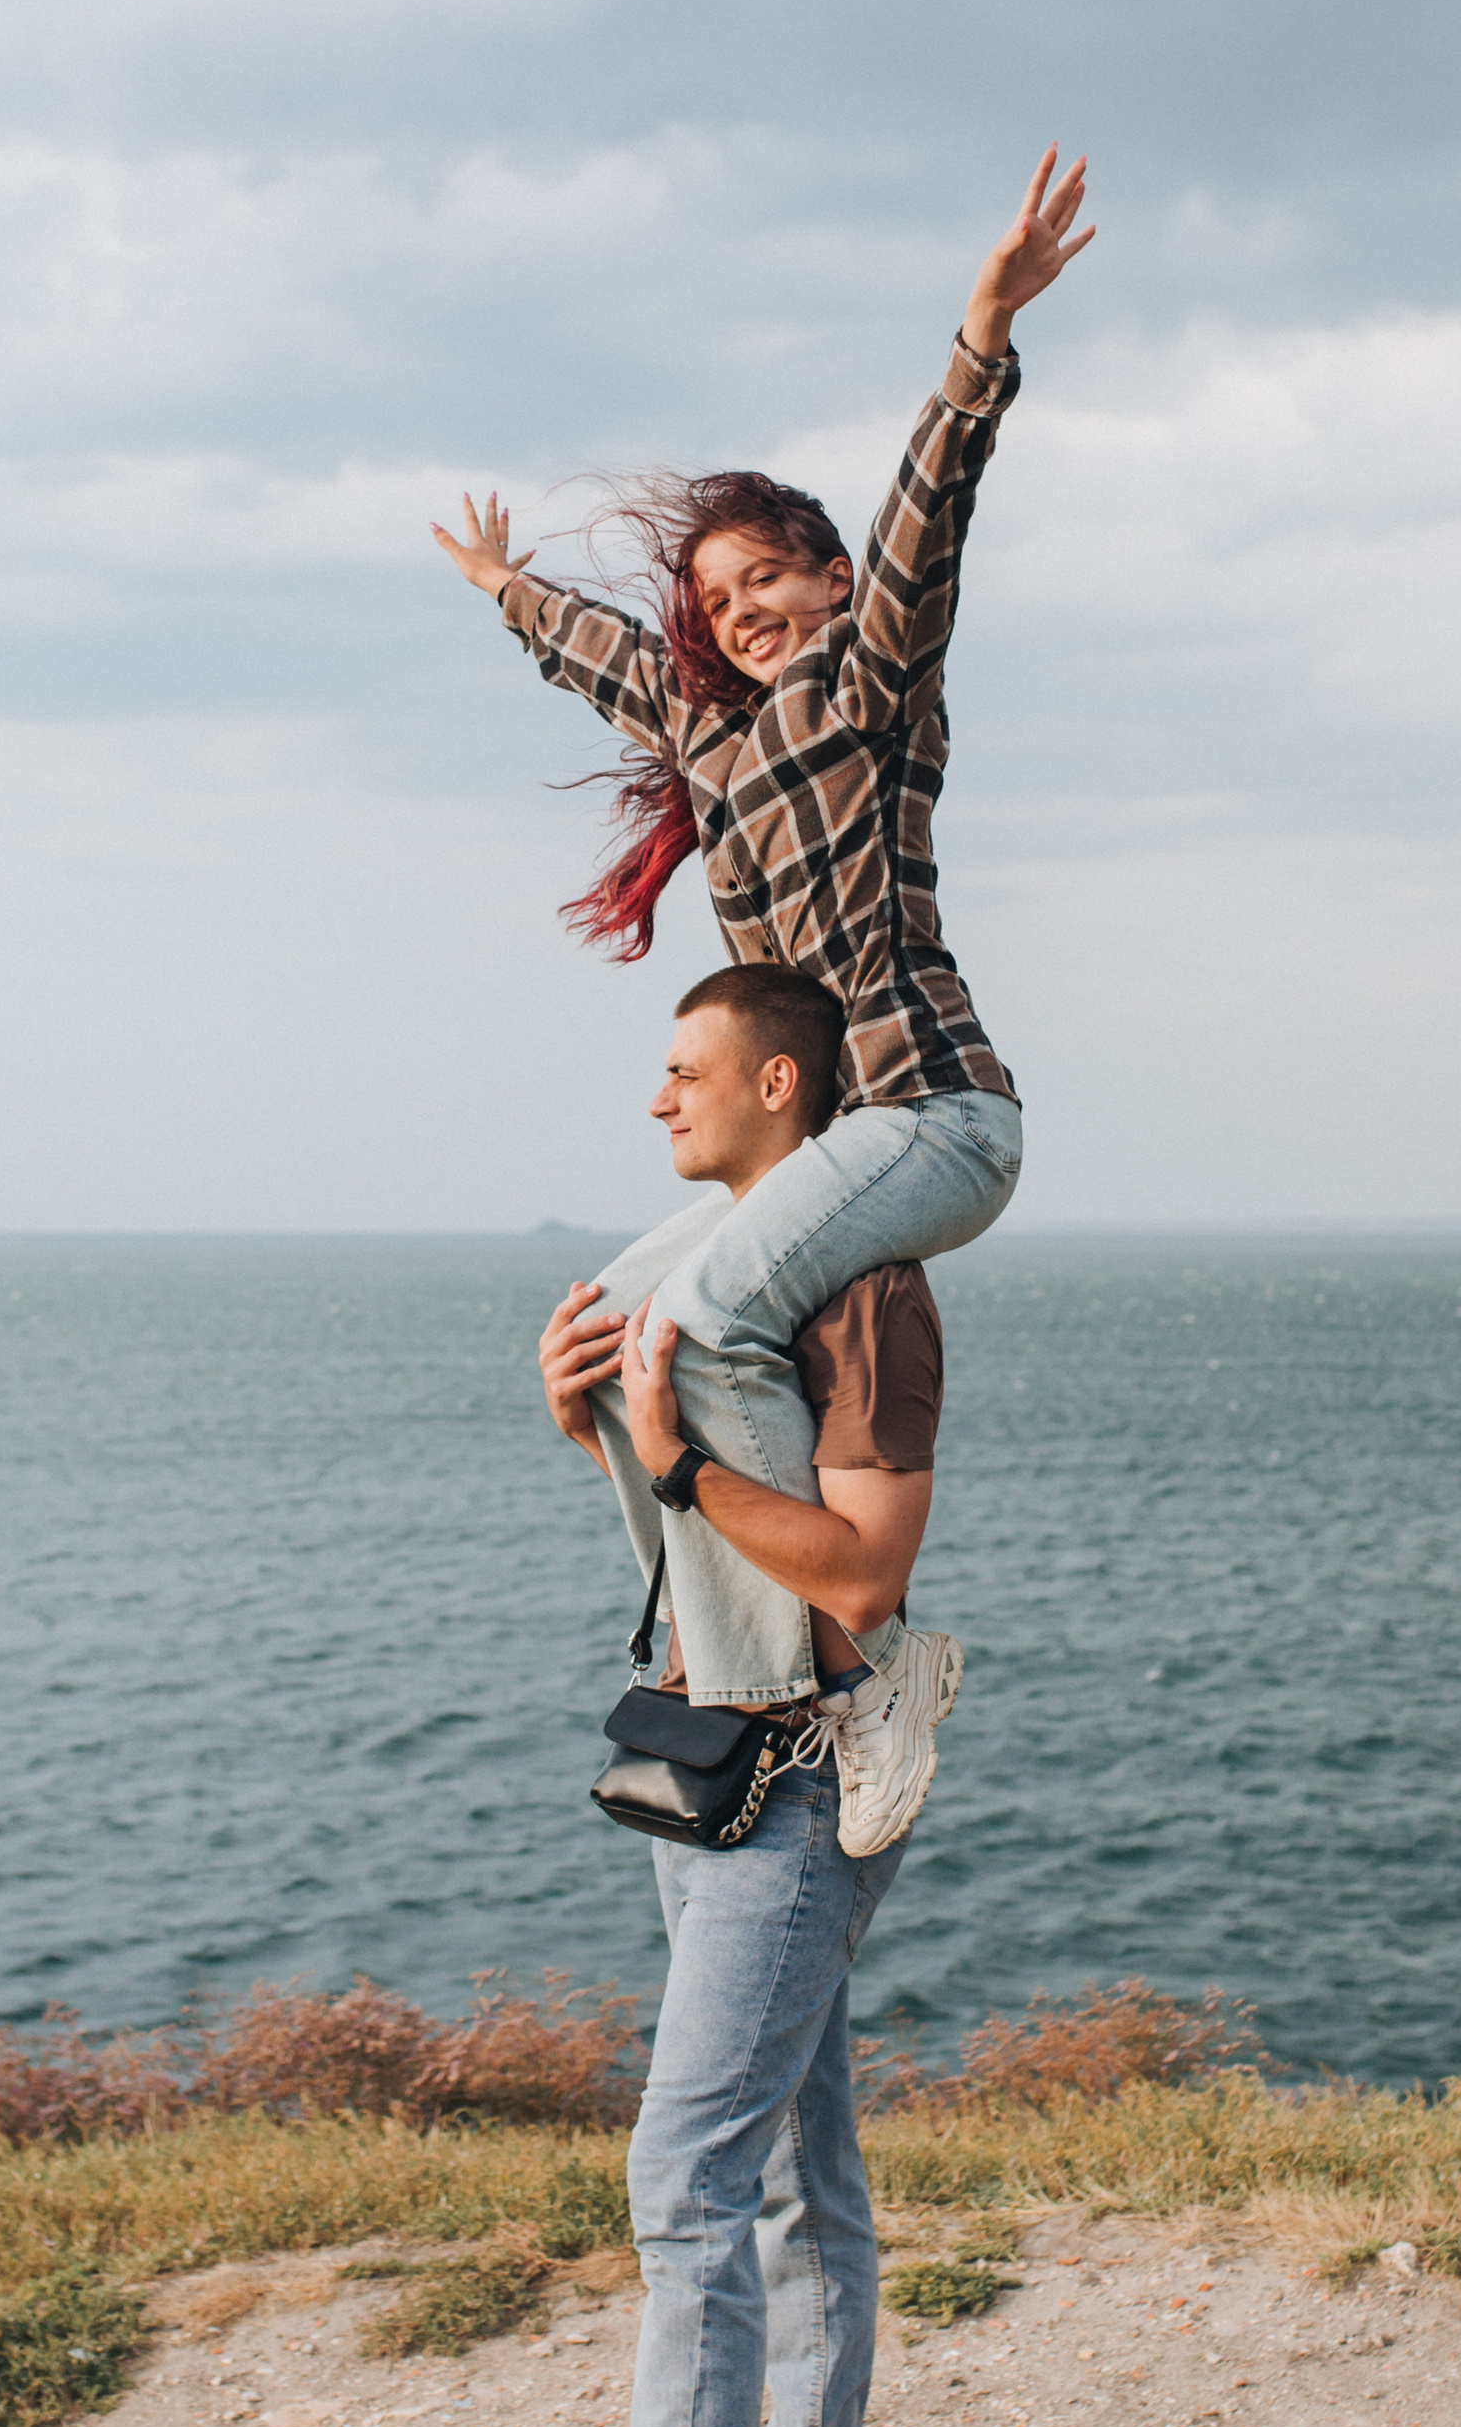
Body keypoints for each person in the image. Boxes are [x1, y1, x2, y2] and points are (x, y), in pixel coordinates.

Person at [429, 148, 1089, 1776]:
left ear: (829, 583)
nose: (744, 614)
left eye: (769, 579)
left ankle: (853, 1680)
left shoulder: (871, 680)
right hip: (829, 1150)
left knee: (708, 1318)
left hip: (930, 1111)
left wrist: (982, 337)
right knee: (607, 1347)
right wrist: (510, 588)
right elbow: (602, 659)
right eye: (719, 604)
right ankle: (740, 1684)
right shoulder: (705, 736)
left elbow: (931, 517)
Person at [462, 968, 949, 2427]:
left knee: (688, 2185)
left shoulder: (866, 1290)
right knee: (795, 2160)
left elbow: (860, 1577)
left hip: (805, 1782)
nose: (656, 1100)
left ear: (779, 1081)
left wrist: (666, 1456)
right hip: (708, 1760)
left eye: (684, 1072)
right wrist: (578, 1405)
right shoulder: (690, 1254)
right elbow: (674, 1504)